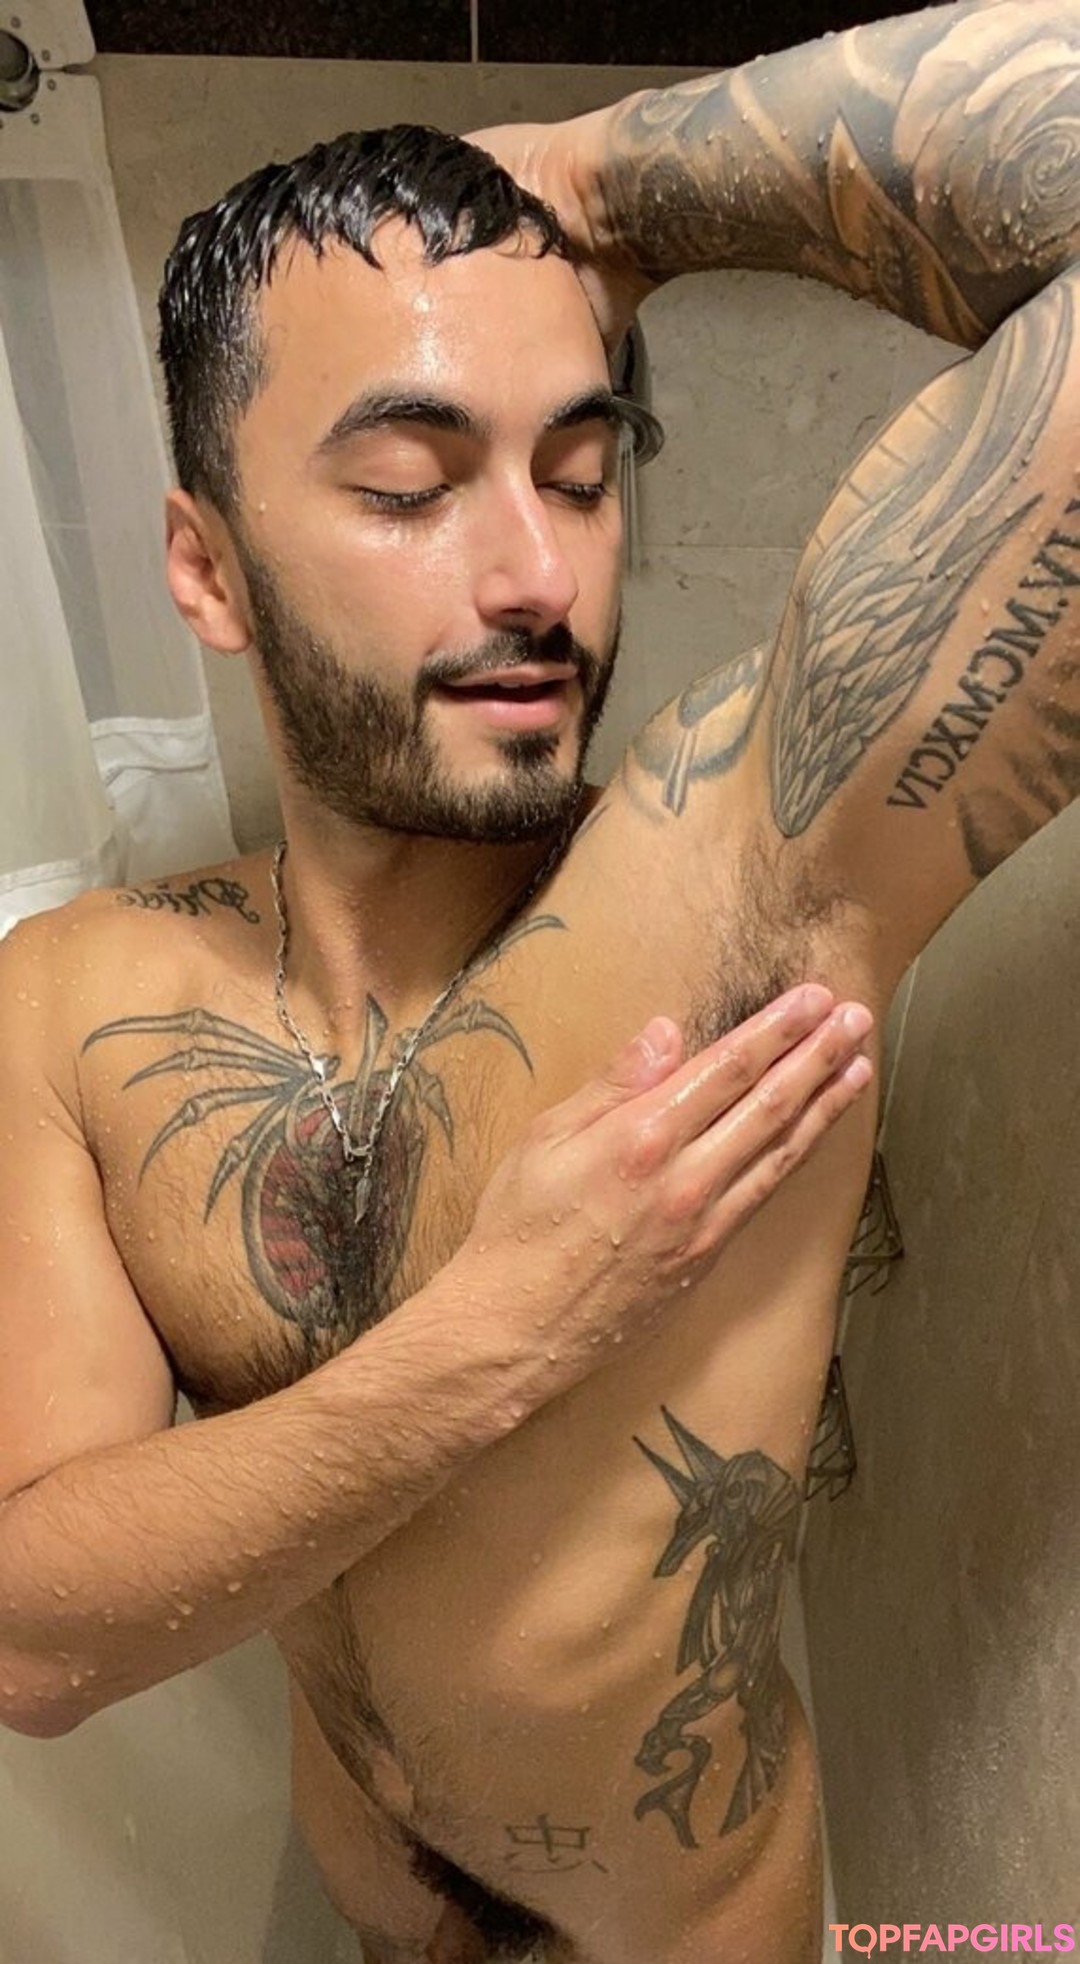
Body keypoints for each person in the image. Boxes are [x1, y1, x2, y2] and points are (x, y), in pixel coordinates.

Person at [3, 0, 1078, 1958]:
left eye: (580, 473)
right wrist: (502, 1330)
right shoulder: (76, 1003)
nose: (536, 578)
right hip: (374, 1903)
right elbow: (30, 1635)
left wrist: (598, 178)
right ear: (210, 567)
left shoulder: (734, 880)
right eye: (411, 484)